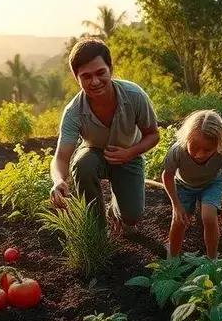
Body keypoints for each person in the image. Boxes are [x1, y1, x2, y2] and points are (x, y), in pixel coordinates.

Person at [49, 38, 159, 235]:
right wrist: (58, 181)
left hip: (129, 155)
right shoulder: (74, 111)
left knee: (132, 216)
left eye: (100, 73)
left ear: (110, 69)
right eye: (86, 76)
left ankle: (114, 212)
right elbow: (61, 157)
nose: (95, 82)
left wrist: (129, 153)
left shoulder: (134, 96)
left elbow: (153, 135)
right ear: (77, 78)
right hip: (94, 154)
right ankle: (97, 231)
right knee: (83, 163)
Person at [162, 110, 222, 258]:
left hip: (211, 184)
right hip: (183, 185)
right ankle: (173, 257)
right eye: (194, 147)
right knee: (179, 220)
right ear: (187, 139)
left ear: (218, 145)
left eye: (208, 150)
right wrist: (176, 205)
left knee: (209, 217)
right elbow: (167, 175)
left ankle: (212, 258)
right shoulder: (177, 151)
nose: (200, 154)